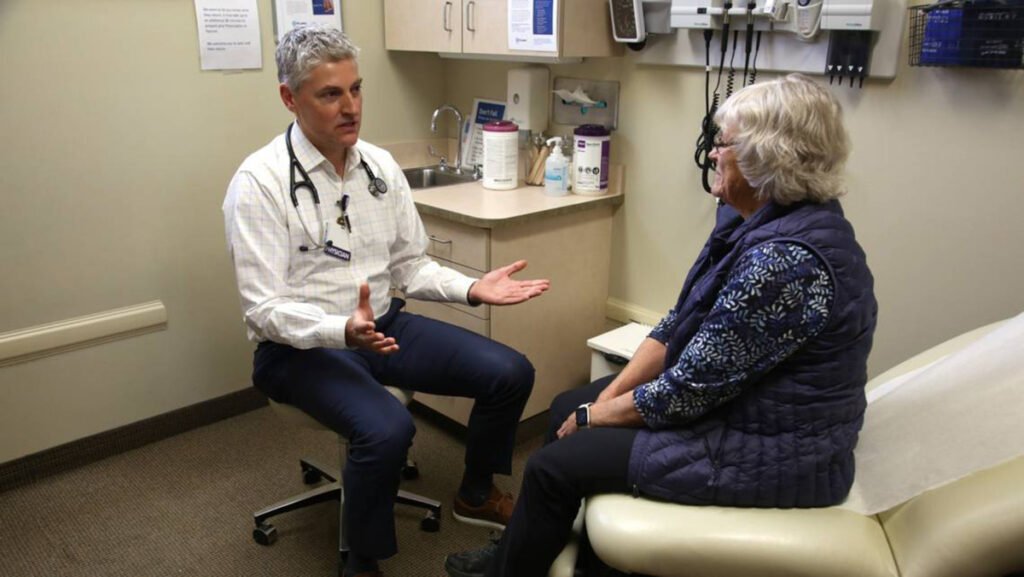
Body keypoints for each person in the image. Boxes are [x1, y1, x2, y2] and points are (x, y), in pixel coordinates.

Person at [444, 73, 878, 577]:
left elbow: (687, 392)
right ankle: (532, 552)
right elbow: (679, 323)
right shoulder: (756, 220)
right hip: (742, 407)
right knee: (566, 405)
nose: (712, 154)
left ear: (765, 158)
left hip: (778, 452)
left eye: (724, 144)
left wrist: (595, 417)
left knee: (551, 466)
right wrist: (599, 404)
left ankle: (515, 569)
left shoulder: (786, 262)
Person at [222, 26, 549, 577]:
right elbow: (263, 310)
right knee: (387, 428)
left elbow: (409, 267)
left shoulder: (377, 166)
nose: (351, 107)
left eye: (356, 89)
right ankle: (362, 560)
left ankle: (475, 492)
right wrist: (339, 331)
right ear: (289, 98)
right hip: (298, 351)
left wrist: (471, 288)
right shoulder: (260, 182)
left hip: (383, 328)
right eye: (331, 94)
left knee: (510, 372)